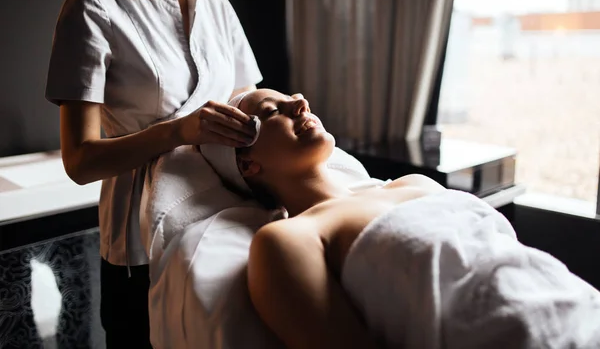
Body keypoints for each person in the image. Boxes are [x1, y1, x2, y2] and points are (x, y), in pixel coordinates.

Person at [201, 88, 600, 349]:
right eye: (272, 111)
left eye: (292, 96)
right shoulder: (291, 239)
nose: (300, 101)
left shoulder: (415, 183)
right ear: (247, 165)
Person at [45, 0, 262, 346]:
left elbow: (246, 105)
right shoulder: (93, 7)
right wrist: (178, 132)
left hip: (227, 227)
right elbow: (79, 162)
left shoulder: (220, 10)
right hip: (142, 243)